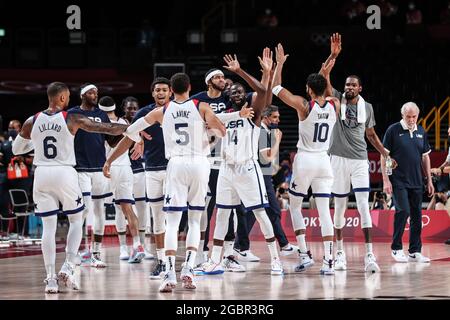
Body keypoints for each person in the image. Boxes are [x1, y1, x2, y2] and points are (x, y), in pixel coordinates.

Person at [12, 82, 127, 293]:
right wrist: (131, 127)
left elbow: (16, 148)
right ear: (63, 98)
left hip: (42, 174)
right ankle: (68, 264)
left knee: (48, 227)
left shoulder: (32, 120)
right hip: (64, 172)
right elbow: (104, 128)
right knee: (76, 219)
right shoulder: (71, 118)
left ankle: (50, 278)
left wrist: (36, 143)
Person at [117, 72, 226, 292]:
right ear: (189, 87)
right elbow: (221, 131)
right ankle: (188, 268)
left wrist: (138, 138)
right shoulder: (202, 106)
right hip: (199, 163)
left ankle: (169, 272)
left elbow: (131, 130)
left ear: (171, 91)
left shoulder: (162, 111)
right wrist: (207, 134)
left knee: (172, 222)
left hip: (175, 164)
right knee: (195, 219)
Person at [198, 53, 284, 276]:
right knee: (222, 214)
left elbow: (264, 92)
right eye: (231, 91)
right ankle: (215, 260)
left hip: (247, 168)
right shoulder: (225, 113)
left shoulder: (254, 114)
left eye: (238, 91)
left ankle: (275, 259)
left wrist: (241, 72)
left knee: (260, 213)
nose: (234, 93)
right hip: (226, 169)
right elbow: (209, 127)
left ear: (244, 95)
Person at [272, 43, 339, 275]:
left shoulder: (304, 105)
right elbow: (326, 89)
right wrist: (329, 63)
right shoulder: (335, 104)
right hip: (324, 160)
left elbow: (276, 87)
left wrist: (280, 64)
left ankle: (304, 254)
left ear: (308, 89)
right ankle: (329, 261)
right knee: (323, 210)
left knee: (295, 205)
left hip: (306, 159)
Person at [325, 33, 388, 273]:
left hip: (360, 160)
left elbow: (370, 134)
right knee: (339, 207)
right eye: (347, 84)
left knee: (363, 206)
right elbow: (324, 78)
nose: (349, 87)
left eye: (353, 85)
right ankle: (339, 253)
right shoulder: (337, 100)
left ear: (360, 88)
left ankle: (369, 255)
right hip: (338, 159)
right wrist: (333, 55)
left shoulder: (367, 107)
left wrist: (384, 152)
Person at [108, 77, 171, 279]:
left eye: (164, 90)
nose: (160, 93)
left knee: (176, 217)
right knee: (157, 217)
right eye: (157, 90)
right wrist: (111, 159)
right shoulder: (144, 113)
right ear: (152, 93)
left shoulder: (181, 110)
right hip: (151, 169)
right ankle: (162, 261)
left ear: (170, 92)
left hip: (175, 168)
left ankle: (189, 258)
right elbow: (128, 136)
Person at [234, 105, 299, 259]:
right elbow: (267, 158)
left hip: (262, 174)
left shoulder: (263, 131)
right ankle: (241, 246)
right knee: (268, 210)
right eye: (275, 117)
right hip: (260, 175)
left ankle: (282, 245)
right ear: (265, 117)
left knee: (262, 211)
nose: (278, 120)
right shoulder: (262, 132)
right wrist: (277, 140)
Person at [68, 84, 119, 268]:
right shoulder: (72, 113)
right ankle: (75, 252)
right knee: (83, 211)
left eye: (96, 92)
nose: (94, 95)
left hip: (99, 168)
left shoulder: (102, 115)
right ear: (82, 95)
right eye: (90, 92)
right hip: (80, 168)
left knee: (99, 210)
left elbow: (111, 140)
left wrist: (126, 133)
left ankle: (96, 252)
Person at [381, 102, 433, 263]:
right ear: (402, 115)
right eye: (408, 116)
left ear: (417, 115)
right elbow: (385, 156)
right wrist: (386, 180)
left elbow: (425, 157)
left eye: (414, 116)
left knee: (417, 215)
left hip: (417, 181)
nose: (411, 120)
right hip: (399, 181)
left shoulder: (421, 131)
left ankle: (415, 251)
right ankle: (396, 248)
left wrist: (429, 180)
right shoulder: (393, 130)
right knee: (403, 211)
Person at [100, 96, 145, 263]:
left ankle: (125, 248)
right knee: (126, 208)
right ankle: (135, 245)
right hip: (122, 168)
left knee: (114, 209)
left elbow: (110, 144)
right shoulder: (124, 124)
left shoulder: (103, 124)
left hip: (111, 168)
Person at [121, 96, 151, 259]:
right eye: (129, 108)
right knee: (122, 210)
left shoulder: (144, 123)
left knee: (142, 207)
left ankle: (142, 246)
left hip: (139, 170)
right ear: (124, 109)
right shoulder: (119, 124)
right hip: (122, 171)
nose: (132, 111)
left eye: (134, 108)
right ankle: (123, 247)